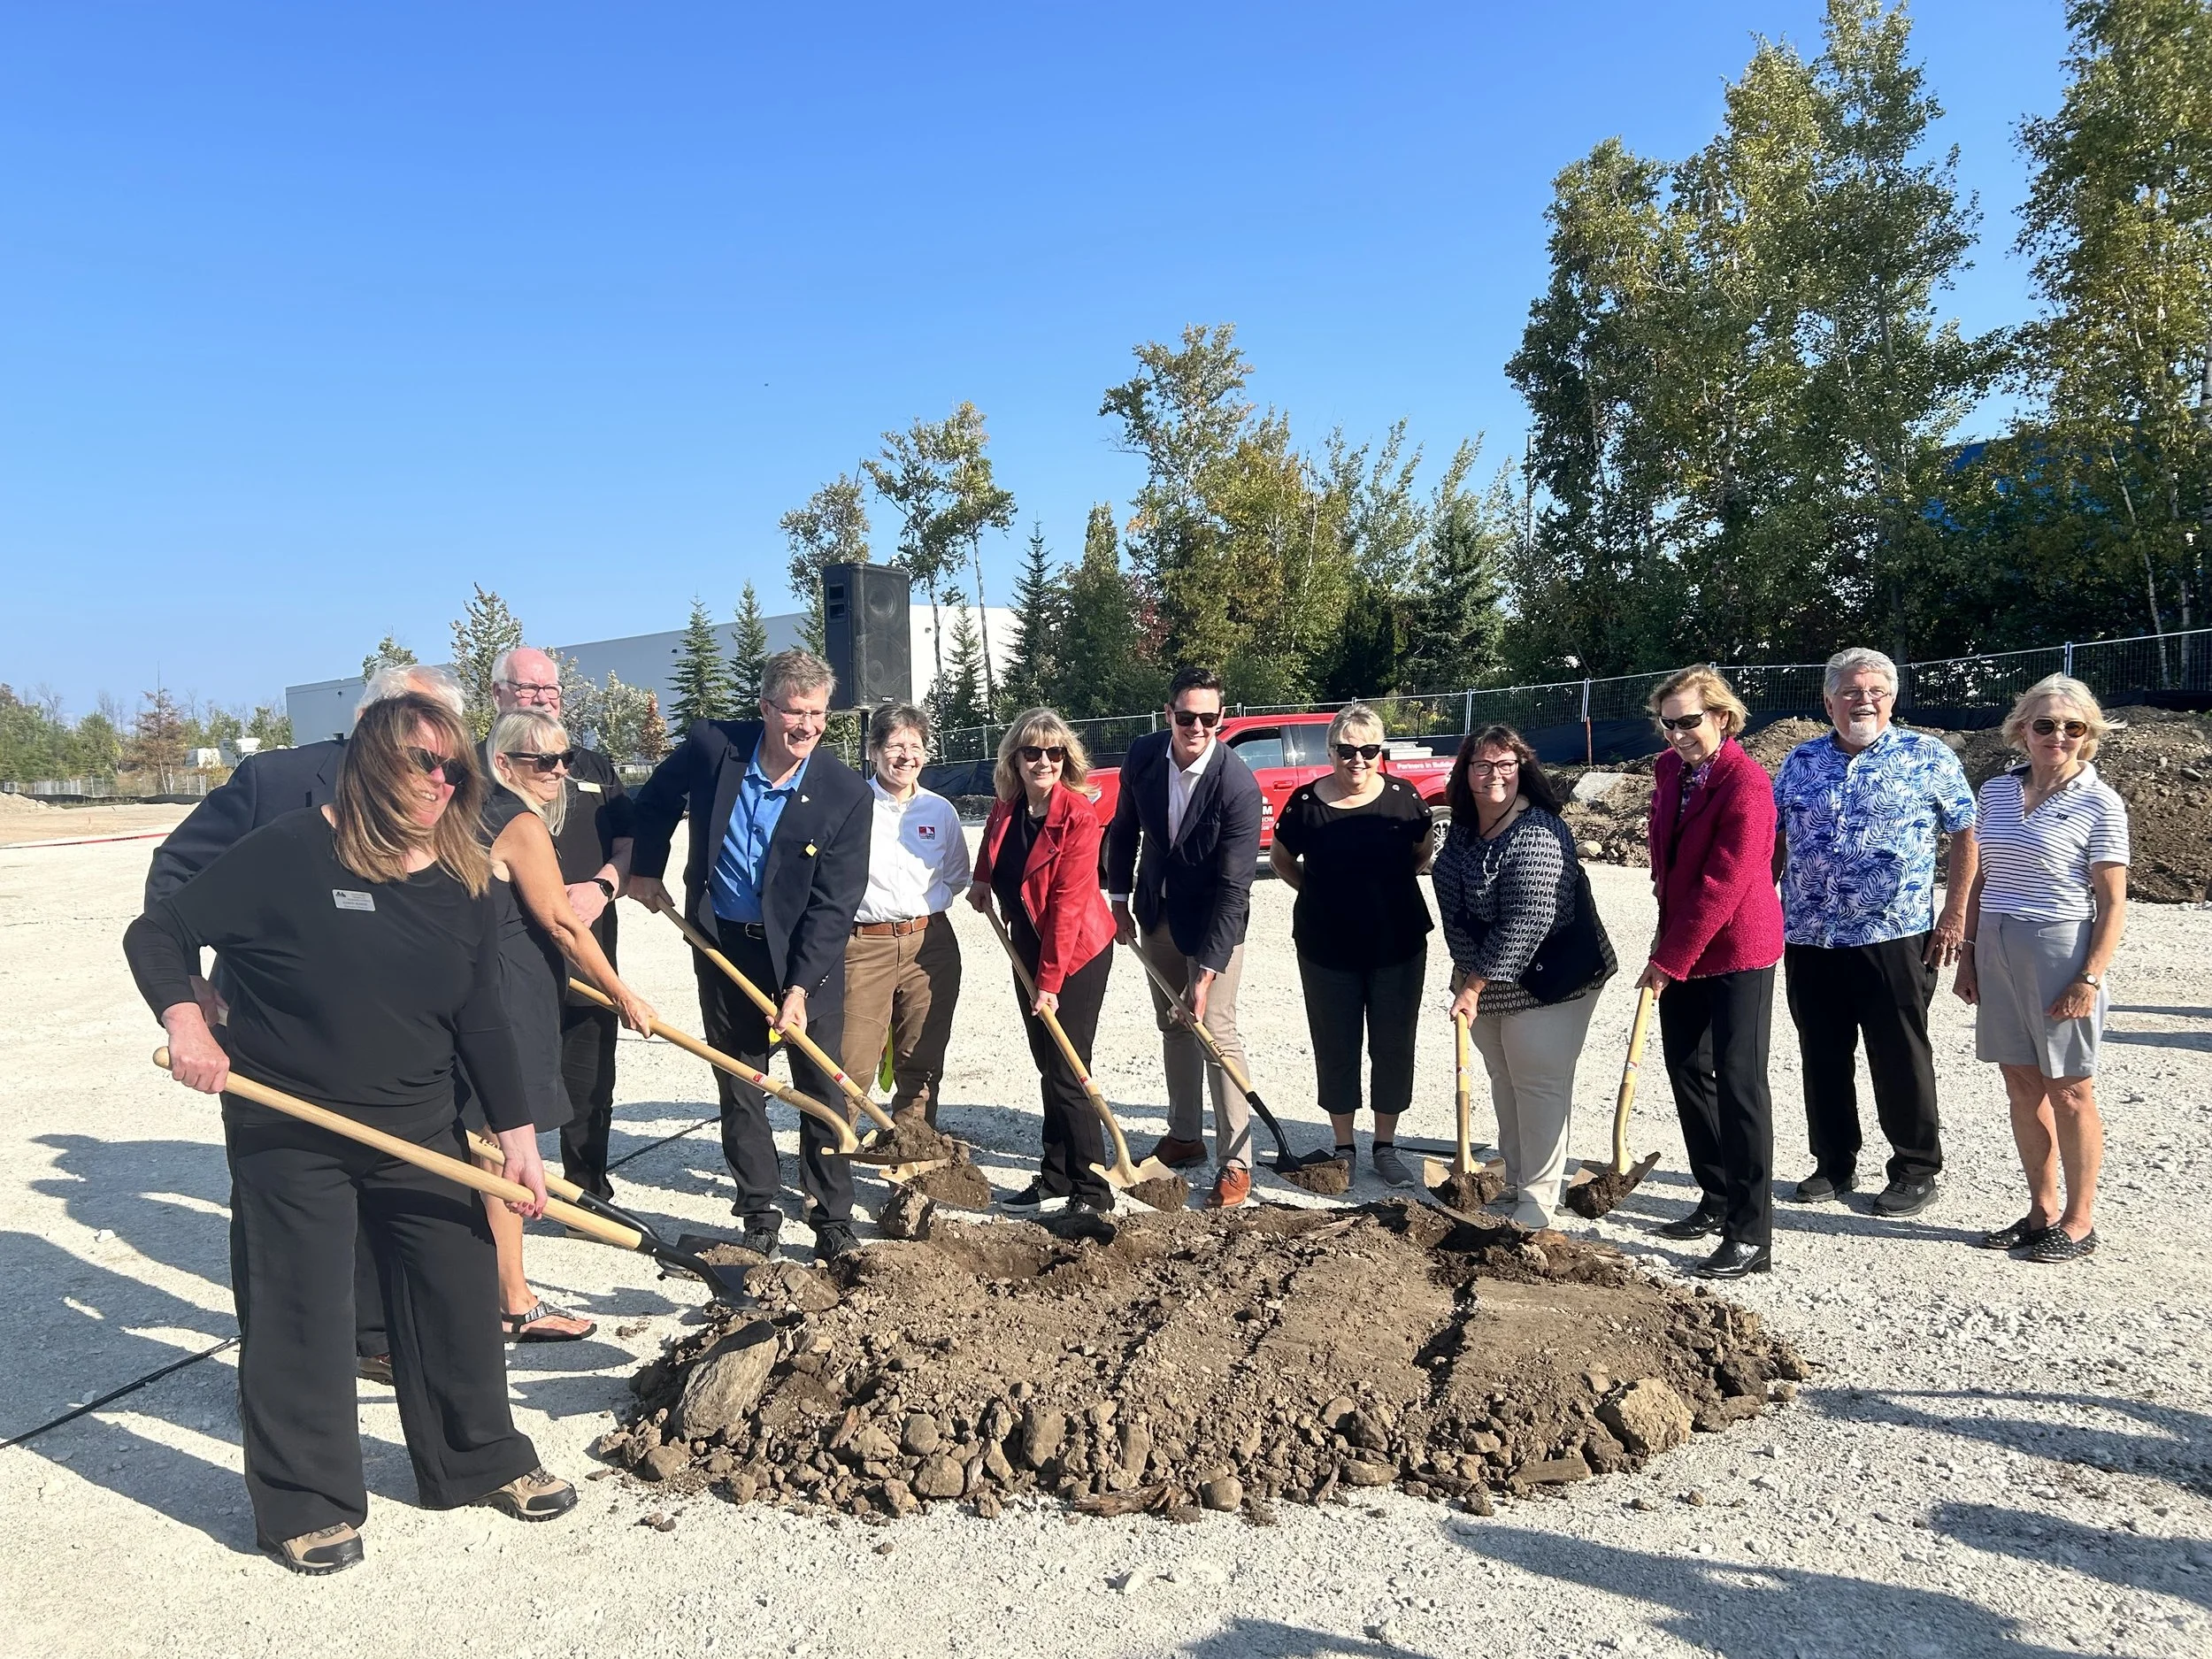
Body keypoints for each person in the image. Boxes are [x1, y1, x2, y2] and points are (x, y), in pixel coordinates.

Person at [123, 693, 575, 1576]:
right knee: (301, 1311)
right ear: (370, 763)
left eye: (456, 768)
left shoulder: (461, 879)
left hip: (421, 1125)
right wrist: (187, 1018)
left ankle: (477, 1457)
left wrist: (516, 1134)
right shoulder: (286, 855)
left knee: (455, 1292)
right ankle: (307, 1503)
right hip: (292, 1125)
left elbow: (481, 1015)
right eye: (421, 763)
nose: (443, 782)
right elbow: (160, 930)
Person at [144, 664, 468, 1387]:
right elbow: (174, 882)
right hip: (277, 1048)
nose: (436, 770)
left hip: (394, 1053)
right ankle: (281, 1379)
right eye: (419, 746)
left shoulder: (440, 798)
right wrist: (189, 993)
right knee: (282, 1231)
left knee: (396, 1208)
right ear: (374, 726)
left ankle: (374, 1334)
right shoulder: (276, 782)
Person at [628, 649, 872, 1263]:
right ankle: (760, 1208)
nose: (808, 727)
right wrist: (644, 868)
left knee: (819, 1083)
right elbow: (656, 796)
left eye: (818, 714)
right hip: (723, 945)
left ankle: (831, 1214)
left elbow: (834, 904)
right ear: (765, 708)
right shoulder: (716, 747)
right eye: (795, 712)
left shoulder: (843, 792)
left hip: (803, 955)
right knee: (741, 1080)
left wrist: (799, 988)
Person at [465, 710, 656, 1340]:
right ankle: (513, 1300)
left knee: (485, 1144)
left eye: (564, 758)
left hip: (473, 987)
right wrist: (622, 992)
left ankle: (487, 1289)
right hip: (502, 999)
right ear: (502, 762)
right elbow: (565, 923)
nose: (558, 771)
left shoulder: (465, 808)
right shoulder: (517, 822)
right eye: (540, 761)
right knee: (500, 1150)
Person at [1774, 648, 1979, 1217]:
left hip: (1895, 933)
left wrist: (1955, 917)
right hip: (1811, 933)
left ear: (1891, 698)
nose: (1863, 700)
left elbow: (1965, 835)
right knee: (1822, 1051)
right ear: (1828, 700)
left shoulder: (1927, 756)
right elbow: (1777, 839)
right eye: (1850, 691)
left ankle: (1915, 1167)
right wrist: (1760, 909)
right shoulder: (1800, 761)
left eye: (1875, 691)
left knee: (1899, 1053)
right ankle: (1833, 1162)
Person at [1955, 675, 2130, 1264]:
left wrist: (2090, 977)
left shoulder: (2100, 802)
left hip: (2061, 947)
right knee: (2022, 1083)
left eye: (2073, 727)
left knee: (2071, 1088)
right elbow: (1981, 876)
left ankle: (2080, 1221)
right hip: (1998, 943)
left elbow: (2112, 903)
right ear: (2022, 728)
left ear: (2088, 735)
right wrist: (1970, 953)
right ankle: (2042, 1209)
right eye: (2046, 724)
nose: (2058, 735)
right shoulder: (1997, 792)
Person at [1432, 725, 1616, 1228]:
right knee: (1504, 1077)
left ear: (1522, 771)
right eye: (1483, 765)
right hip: (1489, 979)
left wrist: (1473, 984)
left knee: (1537, 1081)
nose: (1495, 775)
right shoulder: (1466, 831)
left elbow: (1528, 919)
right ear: (1466, 773)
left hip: (1555, 975)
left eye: (1506, 766)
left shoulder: (1538, 830)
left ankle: (1538, 1199)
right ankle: (1515, 1177)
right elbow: (1452, 910)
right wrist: (1470, 976)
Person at [1640, 667, 1786, 1280]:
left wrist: (1667, 959)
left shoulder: (1747, 785)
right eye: (1669, 723)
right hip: (1684, 940)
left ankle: (1752, 1233)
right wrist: (1666, 933)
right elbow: (1665, 857)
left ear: (1722, 717)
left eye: (1690, 721)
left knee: (1740, 1084)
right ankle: (1717, 1193)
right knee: (1686, 1068)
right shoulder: (1670, 769)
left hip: (1738, 951)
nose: (1679, 734)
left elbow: (1723, 883)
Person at [1105, 665, 1265, 1209]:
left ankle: (1236, 1159)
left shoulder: (1238, 785)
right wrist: (1120, 900)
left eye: (1209, 718)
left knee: (1212, 1027)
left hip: (1214, 921)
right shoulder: (1145, 756)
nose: (1197, 726)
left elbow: (1234, 887)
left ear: (1222, 719)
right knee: (1173, 1025)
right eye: (1187, 715)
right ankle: (1184, 1135)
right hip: (1158, 914)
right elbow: (1124, 829)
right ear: (1169, 713)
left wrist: (1207, 972)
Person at [486, 646, 636, 1202]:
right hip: (513, 950)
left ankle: (589, 1186)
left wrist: (603, 886)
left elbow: (628, 842)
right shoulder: (475, 772)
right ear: (498, 693)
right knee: (502, 1068)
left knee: (591, 1071)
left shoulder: (589, 764)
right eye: (530, 689)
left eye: (552, 690)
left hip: (588, 936)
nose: (545, 698)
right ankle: (500, 1186)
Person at [1268, 703, 1435, 1187]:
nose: (1357, 760)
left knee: (1393, 1043)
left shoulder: (1405, 799)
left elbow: (1420, 853)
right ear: (1331, 752)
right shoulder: (1304, 805)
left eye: (1368, 750)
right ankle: (1344, 1147)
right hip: (1326, 945)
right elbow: (1281, 860)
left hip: (1398, 943)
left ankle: (1385, 1145)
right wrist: (1319, 893)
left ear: (1380, 751)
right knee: (1335, 1043)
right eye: (1346, 751)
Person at [968, 709, 1117, 1215]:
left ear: (1066, 759)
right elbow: (995, 851)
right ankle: (1054, 1176)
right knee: (1047, 1064)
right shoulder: (1006, 808)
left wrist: (1049, 984)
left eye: (1055, 753)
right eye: (1032, 752)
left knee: (1069, 1071)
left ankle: (1092, 1191)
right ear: (1015, 758)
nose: (1044, 761)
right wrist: (982, 880)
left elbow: (1069, 908)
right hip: (1027, 947)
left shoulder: (1078, 815)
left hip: (1075, 954)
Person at [841, 703, 969, 1128]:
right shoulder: (850, 806)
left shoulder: (940, 811)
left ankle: (910, 1156)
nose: (905, 755)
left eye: (915, 745)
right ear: (873, 750)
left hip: (929, 946)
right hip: (863, 946)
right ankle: (829, 1168)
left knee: (922, 1059)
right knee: (849, 1063)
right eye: (894, 745)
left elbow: (953, 877)